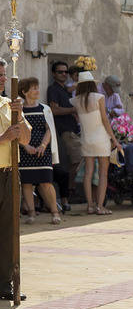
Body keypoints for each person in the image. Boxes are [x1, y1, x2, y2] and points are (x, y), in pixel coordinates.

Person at [0, 58, 32, 301]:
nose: (2, 79)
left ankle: (6, 282)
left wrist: (19, 116)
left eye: (3, 75)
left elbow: (26, 139)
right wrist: (2, 138)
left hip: (10, 173)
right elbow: (7, 138)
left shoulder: (7, 105)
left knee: (9, 229)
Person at [70, 71, 123, 215]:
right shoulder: (99, 97)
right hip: (101, 138)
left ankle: (90, 205)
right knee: (103, 174)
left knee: (88, 173)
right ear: (93, 84)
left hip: (86, 139)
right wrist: (114, 139)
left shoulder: (75, 100)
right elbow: (105, 121)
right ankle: (100, 206)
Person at [18, 77, 62, 225]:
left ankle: (55, 213)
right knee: (26, 183)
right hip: (25, 152)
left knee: (46, 182)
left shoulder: (45, 108)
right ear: (24, 92)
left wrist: (43, 145)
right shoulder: (20, 110)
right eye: (34, 88)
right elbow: (17, 130)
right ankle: (31, 214)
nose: (37, 90)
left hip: (43, 151)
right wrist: (25, 146)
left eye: (37, 87)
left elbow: (49, 129)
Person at [47, 61, 82, 202]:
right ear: (54, 74)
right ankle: (70, 191)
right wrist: (73, 110)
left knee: (76, 161)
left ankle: (70, 191)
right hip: (64, 131)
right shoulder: (53, 89)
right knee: (77, 160)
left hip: (72, 130)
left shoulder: (65, 90)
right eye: (60, 72)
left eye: (66, 72)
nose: (64, 74)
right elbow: (54, 110)